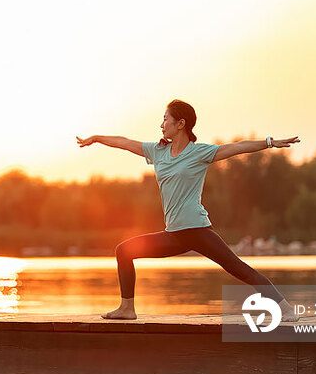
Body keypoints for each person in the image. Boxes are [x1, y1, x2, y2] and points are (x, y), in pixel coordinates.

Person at [76, 99, 301, 322]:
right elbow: (125, 142)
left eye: (165, 119)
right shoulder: (157, 152)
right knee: (124, 251)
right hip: (174, 234)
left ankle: (286, 310)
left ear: (180, 124)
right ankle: (127, 309)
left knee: (239, 269)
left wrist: (270, 142)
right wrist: (97, 138)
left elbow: (237, 147)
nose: (161, 125)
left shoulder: (199, 153)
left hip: (197, 230)